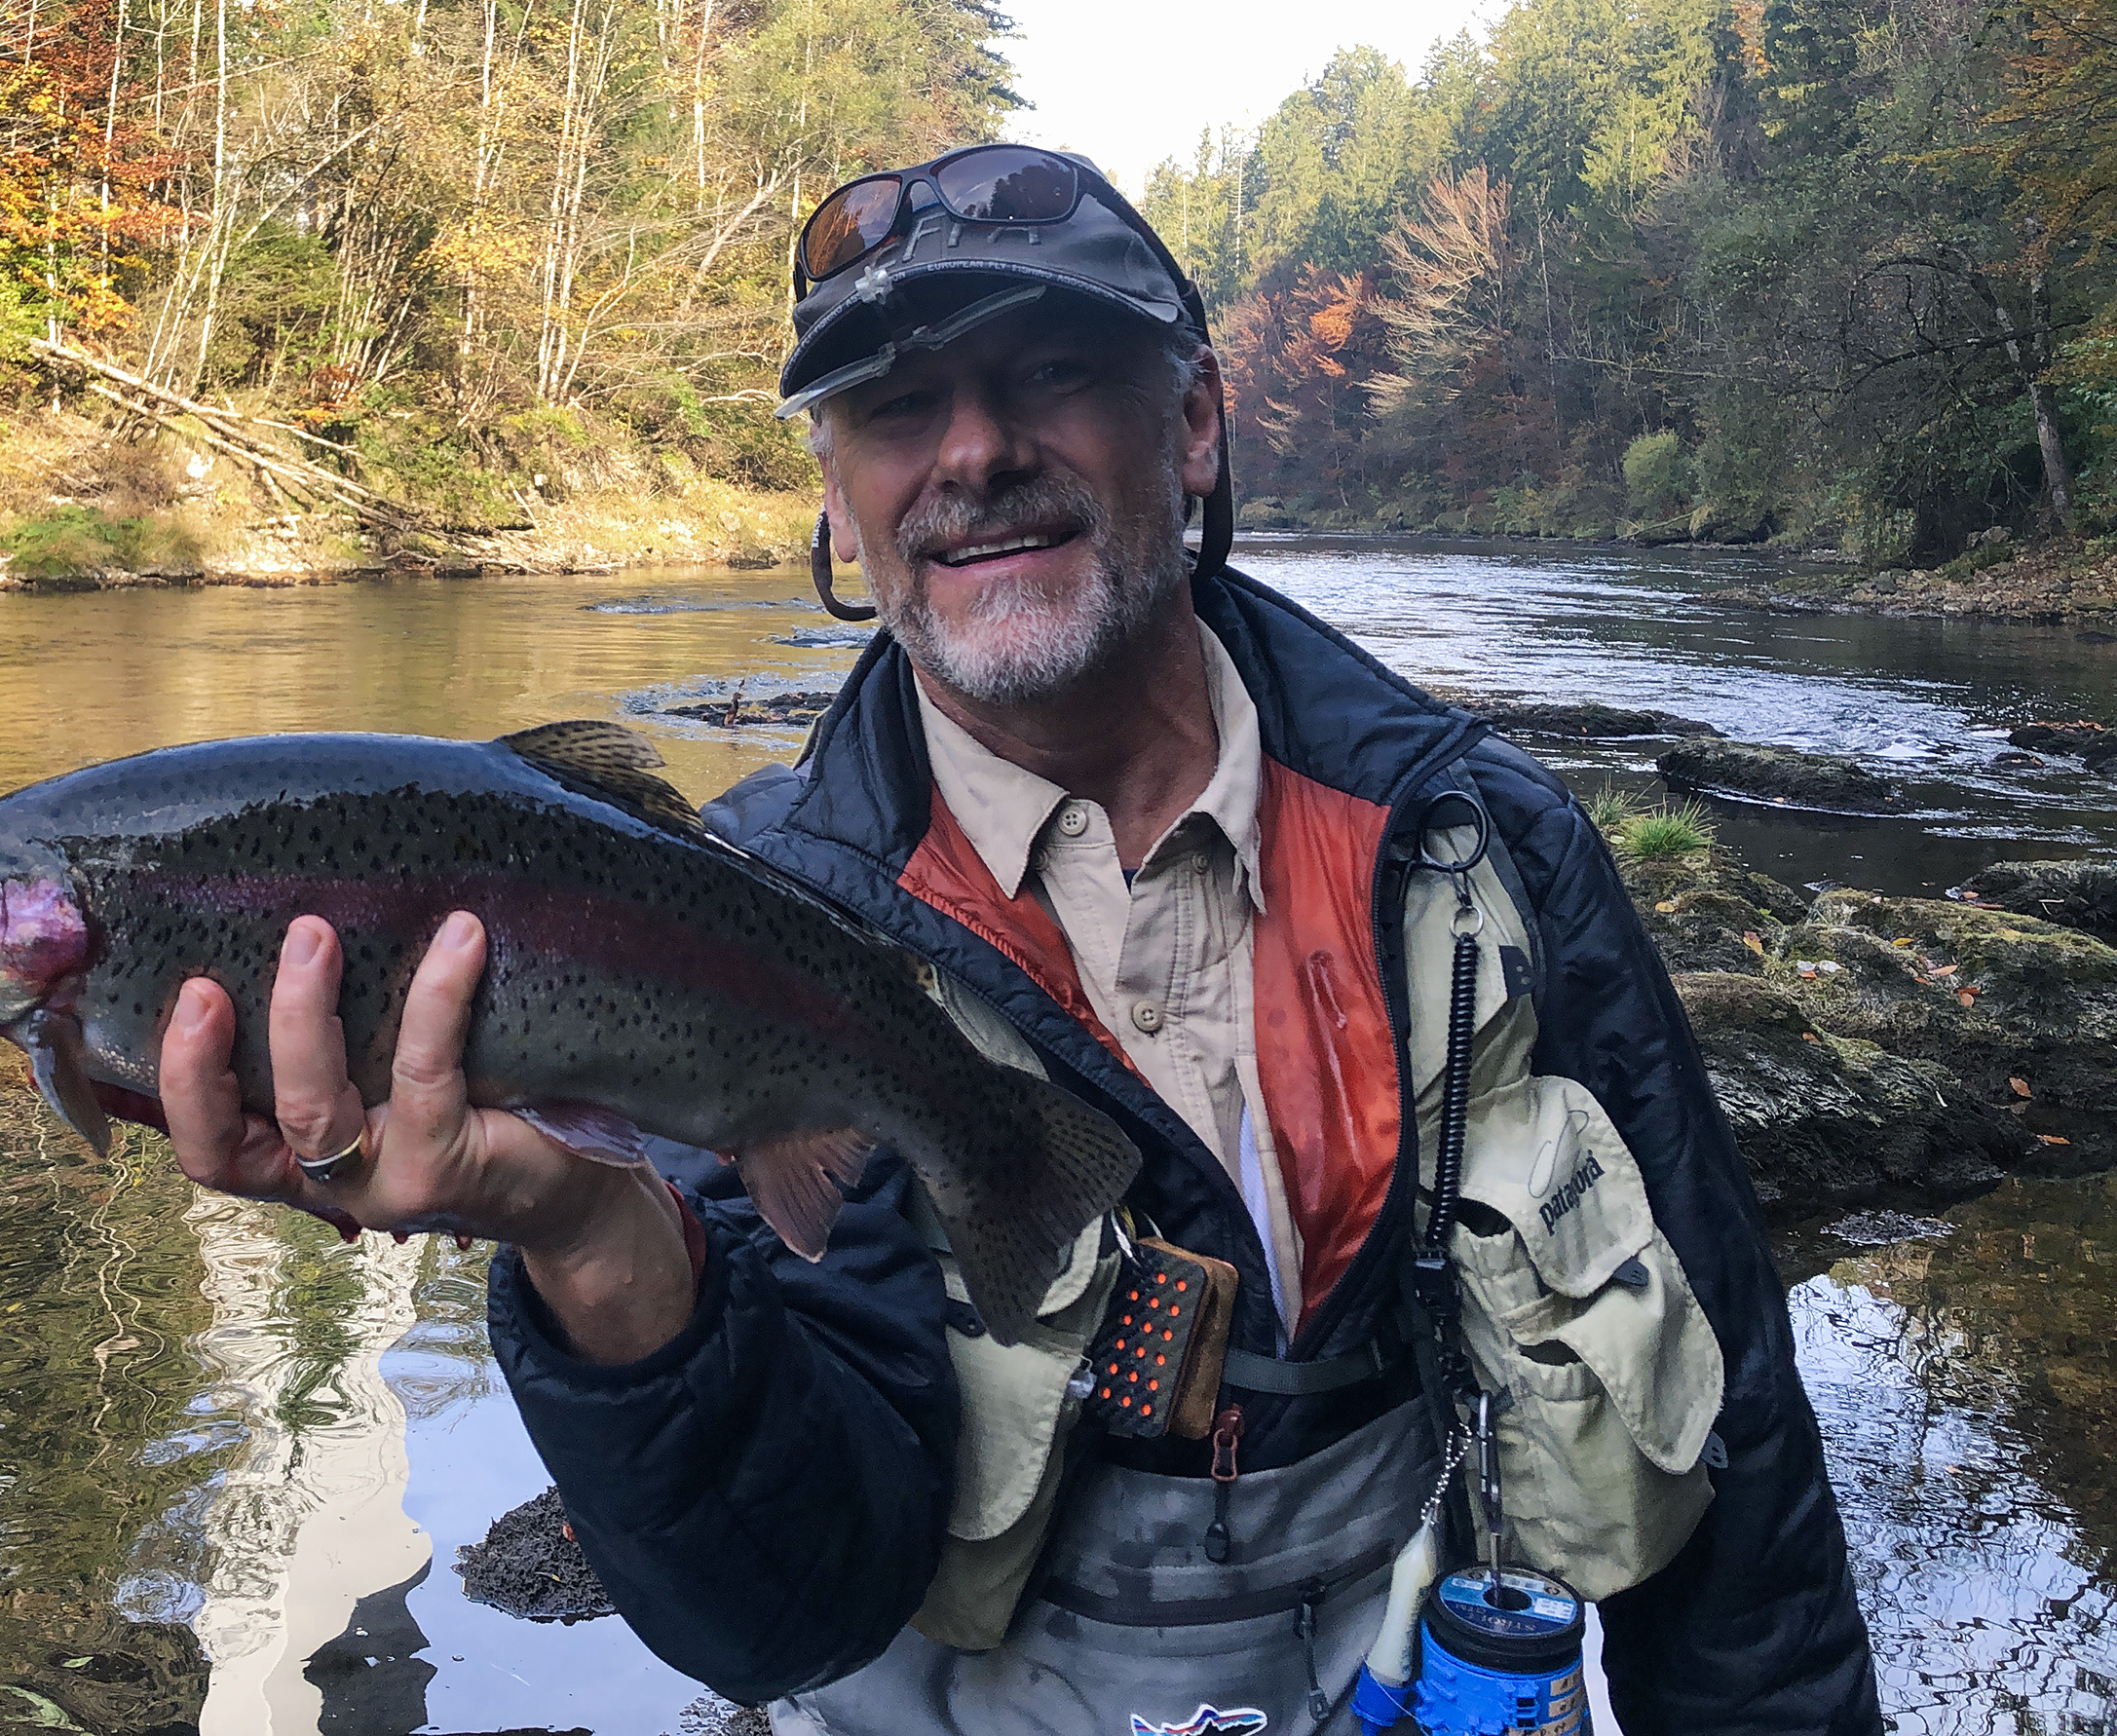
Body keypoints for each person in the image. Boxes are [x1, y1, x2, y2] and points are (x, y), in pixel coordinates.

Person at [150, 144, 1880, 1734]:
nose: (971, 452)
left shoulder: (1476, 844)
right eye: (897, 407)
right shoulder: (731, 928)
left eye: (1048, 372)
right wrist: (600, 1249)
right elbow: (780, 1616)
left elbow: (1738, 1446)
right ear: (838, 497)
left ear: (1191, 426)